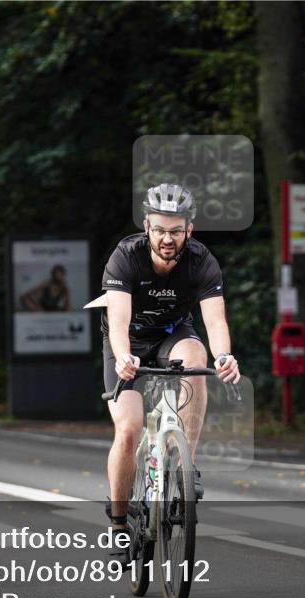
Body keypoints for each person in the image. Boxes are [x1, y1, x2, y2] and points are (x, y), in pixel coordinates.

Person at [100, 183, 240, 566]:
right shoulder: (125, 258)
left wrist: (225, 355)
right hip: (128, 342)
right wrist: (123, 357)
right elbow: (118, 321)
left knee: (198, 360)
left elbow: (214, 319)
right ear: (146, 226)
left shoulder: (201, 260)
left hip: (173, 336)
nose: (167, 238)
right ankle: (117, 523)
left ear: (188, 230)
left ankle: (185, 467)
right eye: (160, 229)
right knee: (128, 431)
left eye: (176, 231)